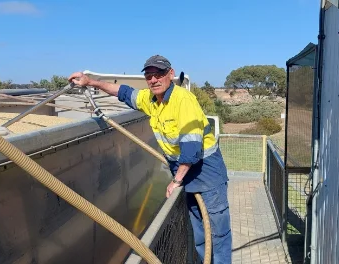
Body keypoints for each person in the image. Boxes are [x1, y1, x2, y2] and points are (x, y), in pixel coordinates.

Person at [68, 55, 232, 263]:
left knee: (217, 234)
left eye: (159, 74)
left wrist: (176, 181)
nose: (153, 80)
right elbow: (124, 92)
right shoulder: (151, 100)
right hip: (187, 173)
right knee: (200, 232)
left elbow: (191, 149)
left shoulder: (183, 100)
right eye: (149, 76)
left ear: (170, 75)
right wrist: (91, 82)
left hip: (206, 173)